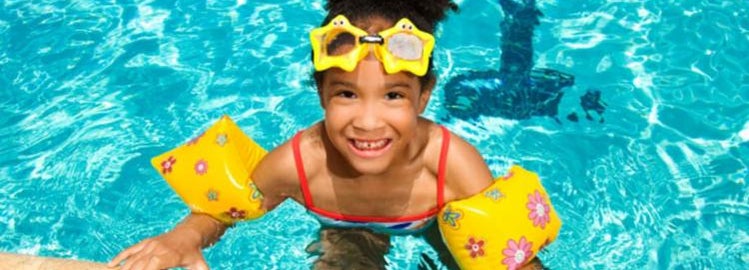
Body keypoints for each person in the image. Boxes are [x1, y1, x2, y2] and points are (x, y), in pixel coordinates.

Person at [109, 1, 551, 269]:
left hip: (436, 227)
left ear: (424, 96)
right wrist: (183, 237)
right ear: (321, 94)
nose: (368, 121)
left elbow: (508, 256)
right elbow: (226, 209)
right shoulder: (300, 163)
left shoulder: (450, 165)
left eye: (394, 96)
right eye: (347, 94)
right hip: (344, 233)